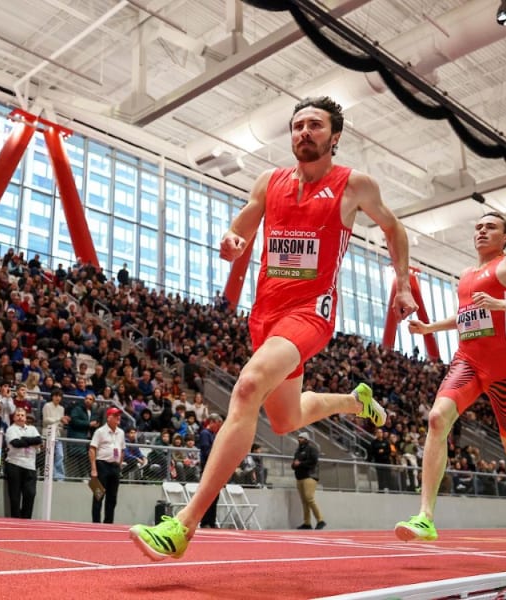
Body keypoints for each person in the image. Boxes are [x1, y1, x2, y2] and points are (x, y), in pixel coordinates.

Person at [130, 95, 417, 560]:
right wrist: (233, 239)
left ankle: (184, 526)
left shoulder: (353, 185)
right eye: (298, 125)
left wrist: (402, 286)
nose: (305, 131)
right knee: (285, 419)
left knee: (246, 388)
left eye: (316, 125)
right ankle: (352, 400)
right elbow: (245, 219)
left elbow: (394, 229)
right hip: (264, 314)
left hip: (310, 313)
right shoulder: (271, 181)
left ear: (335, 136)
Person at [395, 211, 506, 542]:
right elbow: (465, 317)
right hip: (467, 361)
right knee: (437, 419)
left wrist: (504, 304)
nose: (482, 231)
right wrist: (430, 327)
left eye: (491, 227)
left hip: (505, 367)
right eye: (478, 227)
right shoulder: (466, 275)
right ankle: (425, 517)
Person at [88, 406, 125, 524]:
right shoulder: (100, 431)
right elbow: (92, 449)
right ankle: (96, 523)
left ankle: (108, 523)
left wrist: (119, 464)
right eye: (115, 415)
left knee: (112, 497)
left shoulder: (121, 433)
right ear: (109, 417)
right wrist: (94, 469)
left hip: (114, 467)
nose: (118, 418)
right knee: (98, 495)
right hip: (101, 465)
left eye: (119, 415)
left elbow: (122, 449)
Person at [4, 407, 42, 519]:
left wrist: (24, 439)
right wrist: (31, 441)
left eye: (22, 415)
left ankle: (26, 519)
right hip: (14, 464)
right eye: (18, 415)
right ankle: (15, 518)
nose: (20, 417)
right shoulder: (11, 429)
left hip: (30, 465)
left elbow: (39, 440)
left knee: (30, 494)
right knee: (15, 495)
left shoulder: (32, 428)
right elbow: (15, 443)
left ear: (26, 418)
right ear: (14, 417)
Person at [292, 432, 325, 530]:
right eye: (298, 438)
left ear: (306, 440)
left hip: (309, 476)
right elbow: (294, 464)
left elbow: (314, 461)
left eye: (301, 438)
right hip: (300, 477)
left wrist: (300, 463)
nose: (299, 439)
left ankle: (320, 520)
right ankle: (307, 523)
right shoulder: (297, 451)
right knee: (304, 501)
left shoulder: (312, 450)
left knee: (309, 498)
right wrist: (295, 464)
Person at [41, 388, 68, 481]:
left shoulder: (62, 408)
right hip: (47, 434)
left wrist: (63, 422)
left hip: (57, 434)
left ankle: (59, 478)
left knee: (60, 455)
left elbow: (60, 424)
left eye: (60, 396)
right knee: (49, 456)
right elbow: (45, 421)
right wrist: (59, 419)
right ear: (52, 396)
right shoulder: (47, 406)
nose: (58, 398)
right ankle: (49, 477)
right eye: (56, 396)